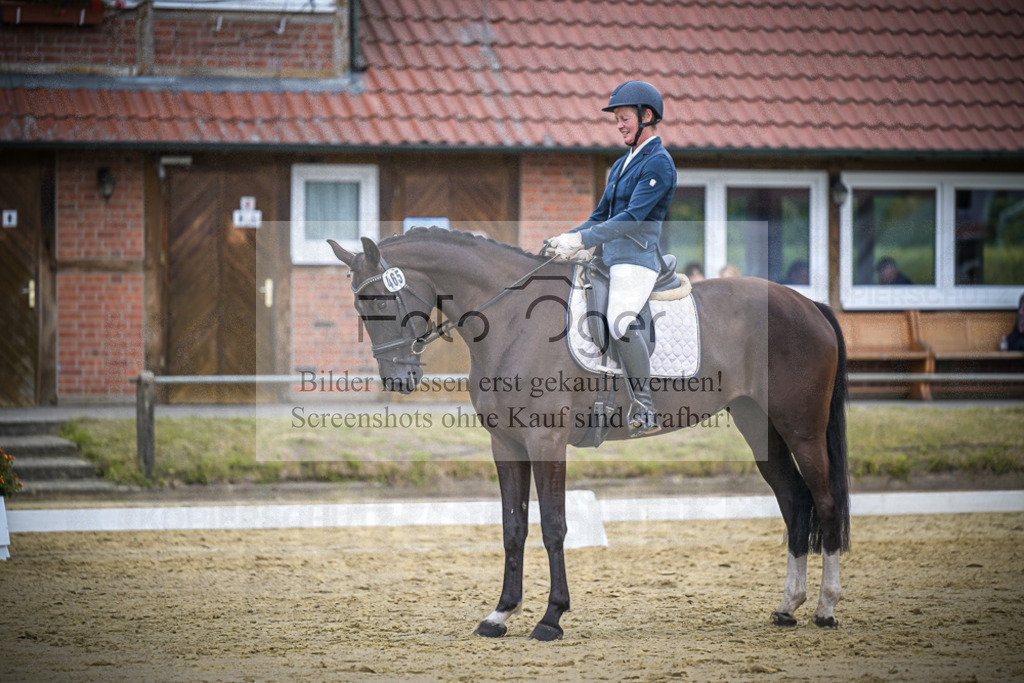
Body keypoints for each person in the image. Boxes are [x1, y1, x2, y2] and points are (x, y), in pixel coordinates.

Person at [546, 80, 677, 436]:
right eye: (616, 119)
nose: (619, 124)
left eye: (624, 118)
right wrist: (567, 239)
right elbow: (602, 215)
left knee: (620, 320)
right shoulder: (621, 165)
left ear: (646, 116)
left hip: (637, 259)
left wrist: (584, 239)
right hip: (608, 258)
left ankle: (644, 407)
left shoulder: (660, 164)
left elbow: (633, 218)